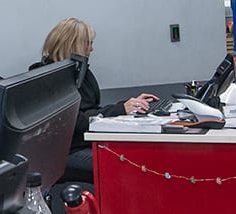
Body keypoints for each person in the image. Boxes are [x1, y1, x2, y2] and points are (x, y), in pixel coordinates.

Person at [33, 18, 157, 182]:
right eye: (88, 44)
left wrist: (127, 106)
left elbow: (91, 111)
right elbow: (77, 122)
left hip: (83, 144)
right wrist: (121, 109)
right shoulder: (50, 79)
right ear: (74, 45)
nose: (91, 49)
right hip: (67, 152)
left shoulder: (80, 74)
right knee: (127, 165)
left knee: (137, 157)